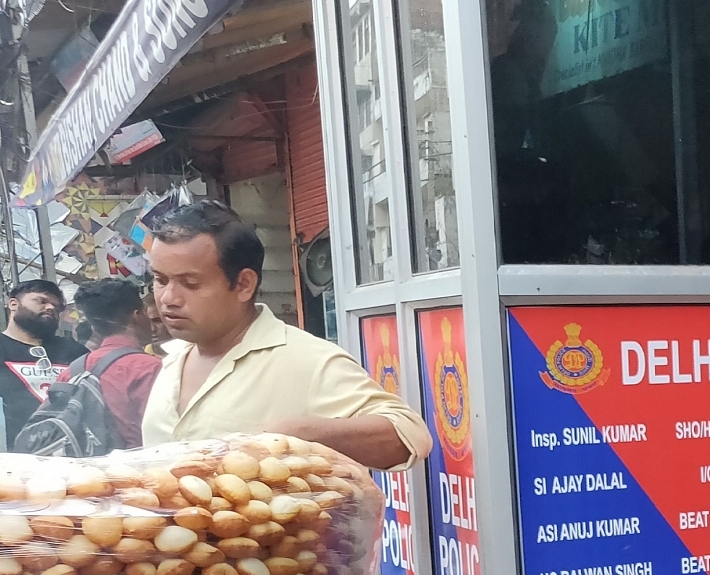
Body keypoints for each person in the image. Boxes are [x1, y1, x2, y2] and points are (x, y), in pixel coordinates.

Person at [142, 201, 428, 471]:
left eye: (190, 283)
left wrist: (302, 435)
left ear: (243, 284)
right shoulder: (173, 360)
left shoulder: (304, 359)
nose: (168, 298)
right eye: (160, 280)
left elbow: (408, 434)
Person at [68, 277, 164, 449]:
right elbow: (164, 430)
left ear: (94, 328)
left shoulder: (72, 370)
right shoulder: (150, 368)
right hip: (138, 467)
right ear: (138, 316)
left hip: (86, 469)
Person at [0, 278, 87, 446]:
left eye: (57, 306)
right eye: (41, 301)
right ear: (13, 304)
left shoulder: (75, 351)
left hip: (70, 452)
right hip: (12, 458)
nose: (50, 308)